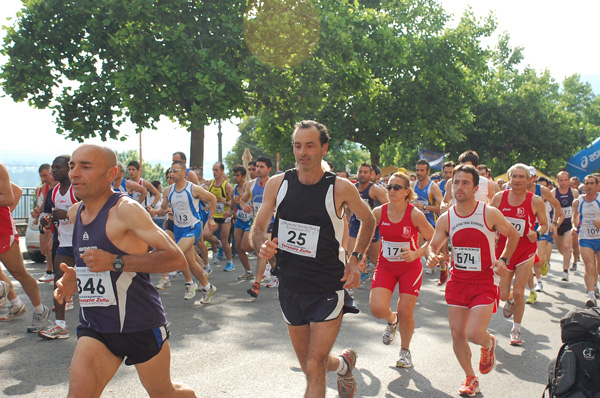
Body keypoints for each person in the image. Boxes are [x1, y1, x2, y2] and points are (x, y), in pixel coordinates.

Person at [53, 144, 196, 397]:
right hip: (96, 325)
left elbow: (176, 259)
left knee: (164, 393)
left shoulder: (126, 210)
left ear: (111, 174)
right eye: (73, 165)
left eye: (86, 166)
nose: (74, 172)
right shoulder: (77, 213)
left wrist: (116, 262)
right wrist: (74, 276)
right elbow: (90, 263)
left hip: (139, 323)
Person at [255, 120, 375, 398]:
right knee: (312, 366)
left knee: (313, 364)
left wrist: (356, 259)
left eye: (310, 145)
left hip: (327, 286)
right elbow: (259, 228)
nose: (302, 152)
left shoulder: (340, 187)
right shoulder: (278, 184)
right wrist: (263, 246)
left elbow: (367, 219)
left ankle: (337, 366)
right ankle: (344, 365)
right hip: (290, 285)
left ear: (324, 148)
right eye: (298, 146)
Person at [427, 164, 518, 397]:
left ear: (476, 188)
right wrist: (432, 256)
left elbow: (513, 234)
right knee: (457, 333)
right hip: (458, 282)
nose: (459, 186)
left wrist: (504, 259)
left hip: (485, 281)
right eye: (456, 182)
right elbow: (433, 244)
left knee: (474, 333)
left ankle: (488, 344)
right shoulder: (447, 218)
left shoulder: (488, 213)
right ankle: (470, 377)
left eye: (465, 182)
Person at [369, 172, 434, 368]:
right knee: (377, 308)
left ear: (407, 192)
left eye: (397, 187)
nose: (391, 191)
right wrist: (359, 255)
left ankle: (405, 351)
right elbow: (367, 232)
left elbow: (435, 238)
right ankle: (391, 320)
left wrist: (418, 253)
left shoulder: (415, 214)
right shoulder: (379, 212)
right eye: (389, 187)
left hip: (410, 268)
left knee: (406, 311)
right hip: (386, 265)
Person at [492, 164, 547, 346]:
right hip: (505, 251)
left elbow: (544, 224)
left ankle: (516, 330)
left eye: (521, 177)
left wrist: (537, 233)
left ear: (529, 179)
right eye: (514, 176)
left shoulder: (535, 200)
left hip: (525, 251)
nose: (517, 180)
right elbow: (489, 222)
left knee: (518, 292)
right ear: (509, 178)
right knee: (503, 294)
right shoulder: (499, 198)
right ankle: (509, 301)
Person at [152, 160, 217, 302]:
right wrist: (154, 212)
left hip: (193, 227)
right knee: (191, 261)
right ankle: (207, 287)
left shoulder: (193, 188)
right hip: (178, 228)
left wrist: (211, 218)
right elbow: (163, 208)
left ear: (184, 172)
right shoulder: (168, 190)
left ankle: (190, 283)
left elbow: (212, 198)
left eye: (175, 171)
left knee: (177, 253)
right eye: (170, 171)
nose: (172, 173)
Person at [0, 162, 50, 331]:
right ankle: (13, 300)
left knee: (18, 272)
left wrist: (7, 213)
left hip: (2, 229)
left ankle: (39, 310)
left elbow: (9, 197)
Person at [38, 155, 78, 339]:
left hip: (83, 243)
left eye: (58, 167)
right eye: (53, 167)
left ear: (69, 168)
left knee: (88, 284)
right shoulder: (53, 192)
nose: (54, 170)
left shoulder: (77, 190)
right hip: (64, 244)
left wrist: (67, 215)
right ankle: (60, 326)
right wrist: (47, 221)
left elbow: (91, 214)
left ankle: (99, 324)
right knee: (59, 282)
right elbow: (49, 214)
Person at [239, 156, 276, 297]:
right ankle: (276, 270)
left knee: (263, 251)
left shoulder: (274, 184)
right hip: (257, 225)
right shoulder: (250, 185)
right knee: (263, 252)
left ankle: (257, 284)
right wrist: (245, 206)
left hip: (272, 223)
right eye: (257, 167)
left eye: (262, 167)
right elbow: (242, 200)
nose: (258, 170)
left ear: (269, 169)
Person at [347, 163, 388, 282]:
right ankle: (362, 274)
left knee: (376, 259)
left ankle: (384, 277)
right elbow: (349, 206)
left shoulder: (375, 189)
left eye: (365, 172)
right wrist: (348, 220)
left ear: (371, 175)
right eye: (360, 172)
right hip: (355, 225)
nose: (362, 174)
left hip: (371, 227)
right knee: (352, 253)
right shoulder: (352, 188)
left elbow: (387, 206)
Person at [571, 175, 600, 307]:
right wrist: (574, 227)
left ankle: (595, 284)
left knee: (598, 268)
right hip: (585, 238)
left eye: (591, 183)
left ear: (597, 185)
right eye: (586, 183)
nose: (589, 186)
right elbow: (575, 217)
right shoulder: (578, 201)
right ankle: (591, 296)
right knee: (589, 265)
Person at [204, 162, 235, 271]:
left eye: (216, 170)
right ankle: (218, 244)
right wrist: (208, 205)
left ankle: (230, 262)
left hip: (225, 216)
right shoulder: (211, 184)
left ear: (222, 171)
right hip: (214, 215)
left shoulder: (227, 185)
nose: (214, 172)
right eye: (213, 170)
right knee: (206, 234)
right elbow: (210, 199)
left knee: (225, 239)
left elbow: (234, 202)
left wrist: (226, 202)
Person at [32, 163, 57, 282]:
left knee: (49, 246)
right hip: (46, 218)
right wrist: (37, 214)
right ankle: (52, 271)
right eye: (41, 176)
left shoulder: (58, 185)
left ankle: (50, 271)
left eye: (45, 175)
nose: (43, 179)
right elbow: (44, 205)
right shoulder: (43, 188)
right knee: (44, 249)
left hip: (55, 219)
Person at [552, 171, 579, 282]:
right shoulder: (553, 193)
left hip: (569, 223)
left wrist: (576, 223)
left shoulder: (574, 192)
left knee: (567, 245)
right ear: (557, 181)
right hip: (558, 224)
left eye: (565, 180)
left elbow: (577, 210)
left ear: (569, 181)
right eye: (561, 180)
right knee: (561, 249)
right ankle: (568, 257)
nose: (563, 182)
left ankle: (565, 271)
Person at [231, 165, 254, 280]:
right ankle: (248, 271)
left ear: (243, 176)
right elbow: (232, 206)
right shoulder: (233, 189)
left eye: (237, 175)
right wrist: (230, 212)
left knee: (246, 246)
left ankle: (258, 247)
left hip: (249, 219)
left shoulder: (247, 186)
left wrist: (241, 201)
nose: (235, 178)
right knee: (238, 246)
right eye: (234, 175)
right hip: (240, 219)